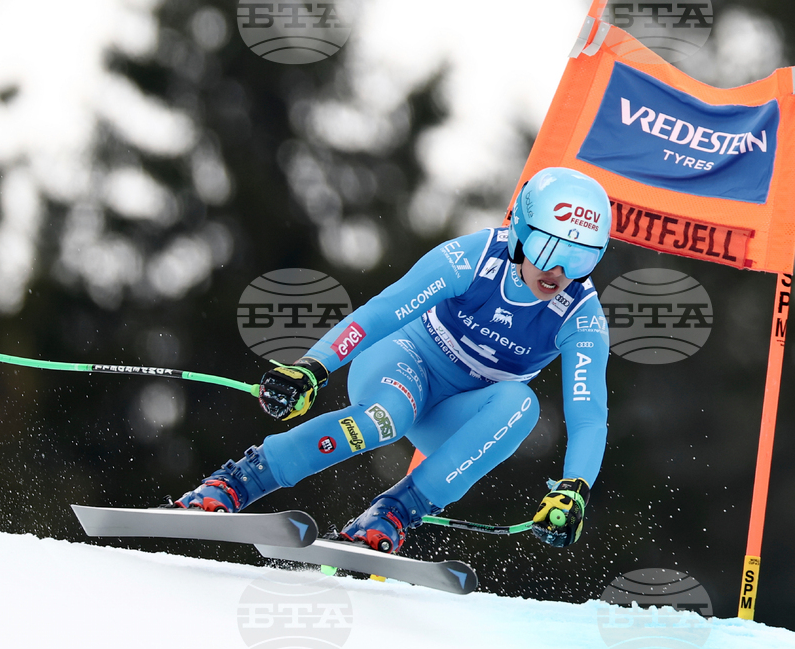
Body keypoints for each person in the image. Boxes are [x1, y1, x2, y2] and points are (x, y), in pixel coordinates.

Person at [174, 166, 612, 553]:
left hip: (453, 414)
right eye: (548, 251)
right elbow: (384, 311)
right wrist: (314, 365)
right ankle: (237, 482)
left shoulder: (580, 315)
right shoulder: (473, 259)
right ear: (519, 233)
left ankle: (395, 513)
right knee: (385, 419)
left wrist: (575, 488)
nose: (559, 273)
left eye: (581, 257)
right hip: (405, 364)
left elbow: (588, 414)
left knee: (522, 406)